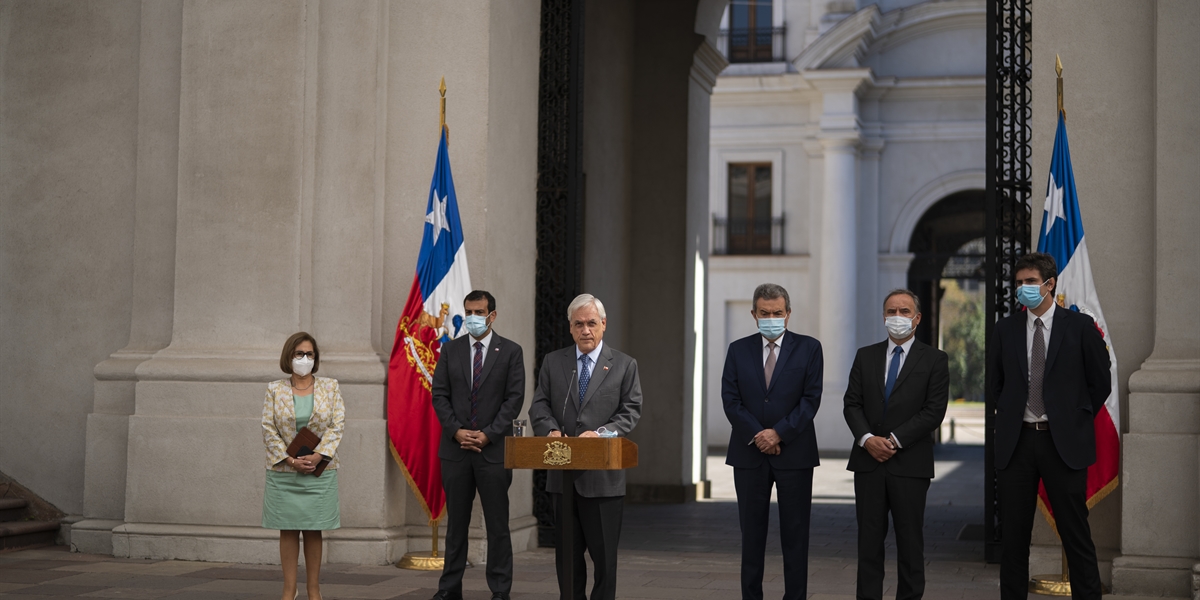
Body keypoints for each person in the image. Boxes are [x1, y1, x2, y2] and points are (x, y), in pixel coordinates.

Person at [988, 252, 1111, 599]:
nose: (1023, 289)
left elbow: (1100, 382)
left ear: (1049, 283)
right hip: (1018, 445)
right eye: (1019, 283)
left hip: (1064, 445)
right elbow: (996, 384)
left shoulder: (1080, 327)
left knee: (1076, 535)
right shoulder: (1005, 329)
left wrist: (1073, 417)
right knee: (1014, 538)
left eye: (1030, 282)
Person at [528, 293, 642, 600]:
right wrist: (550, 430)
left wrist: (601, 433)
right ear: (570, 328)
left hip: (603, 481)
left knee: (604, 560)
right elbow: (539, 406)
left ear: (604, 325)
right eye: (578, 324)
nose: (585, 330)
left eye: (592, 323)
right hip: (562, 478)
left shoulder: (623, 365)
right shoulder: (554, 362)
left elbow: (630, 411)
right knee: (567, 558)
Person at [843, 289, 949, 600]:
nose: (897, 317)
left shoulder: (935, 359)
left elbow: (934, 411)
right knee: (869, 545)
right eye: (891, 311)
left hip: (910, 465)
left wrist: (892, 440)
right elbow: (852, 404)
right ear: (883, 316)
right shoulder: (866, 355)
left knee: (910, 546)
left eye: (904, 311)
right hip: (868, 464)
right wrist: (867, 440)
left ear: (917, 318)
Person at [722, 283, 823, 600]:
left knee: (795, 535)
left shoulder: (809, 349)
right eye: (764, 313)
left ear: (788, 314)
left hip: (795, 454)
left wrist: (778, 433)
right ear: (754, 314)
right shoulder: (738, 350)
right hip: (749, 454)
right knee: (751, 535)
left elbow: (810, 400)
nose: (771, 318)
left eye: (777, 313)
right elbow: (730, 399)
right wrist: (759, 435)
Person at [430, 290, 526, 600]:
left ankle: (500, 590)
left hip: (493, 451)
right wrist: (457, 431)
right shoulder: (451, 350)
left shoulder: (511, 351)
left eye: (479, 312)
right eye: (469, 311)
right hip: (456, 451)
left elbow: (514, 400)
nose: (473, 318)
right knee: (456, 525)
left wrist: (488, 434)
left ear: (492, 315)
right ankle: (449, 588)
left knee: (497, 524)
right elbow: (439, 395)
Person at [262, 332, 345, 600]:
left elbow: (337, 424)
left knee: (313, 528)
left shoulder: (330, 387)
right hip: (285, 470)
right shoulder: (275, 389)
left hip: (319, 470)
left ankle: (313, 589)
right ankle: (289, 588)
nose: (304, 359)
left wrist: (320, 455)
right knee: (287, 528)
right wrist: (289, 459)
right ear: (289, 357)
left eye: (310, 354)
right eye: (299, 354)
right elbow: (268, 428)